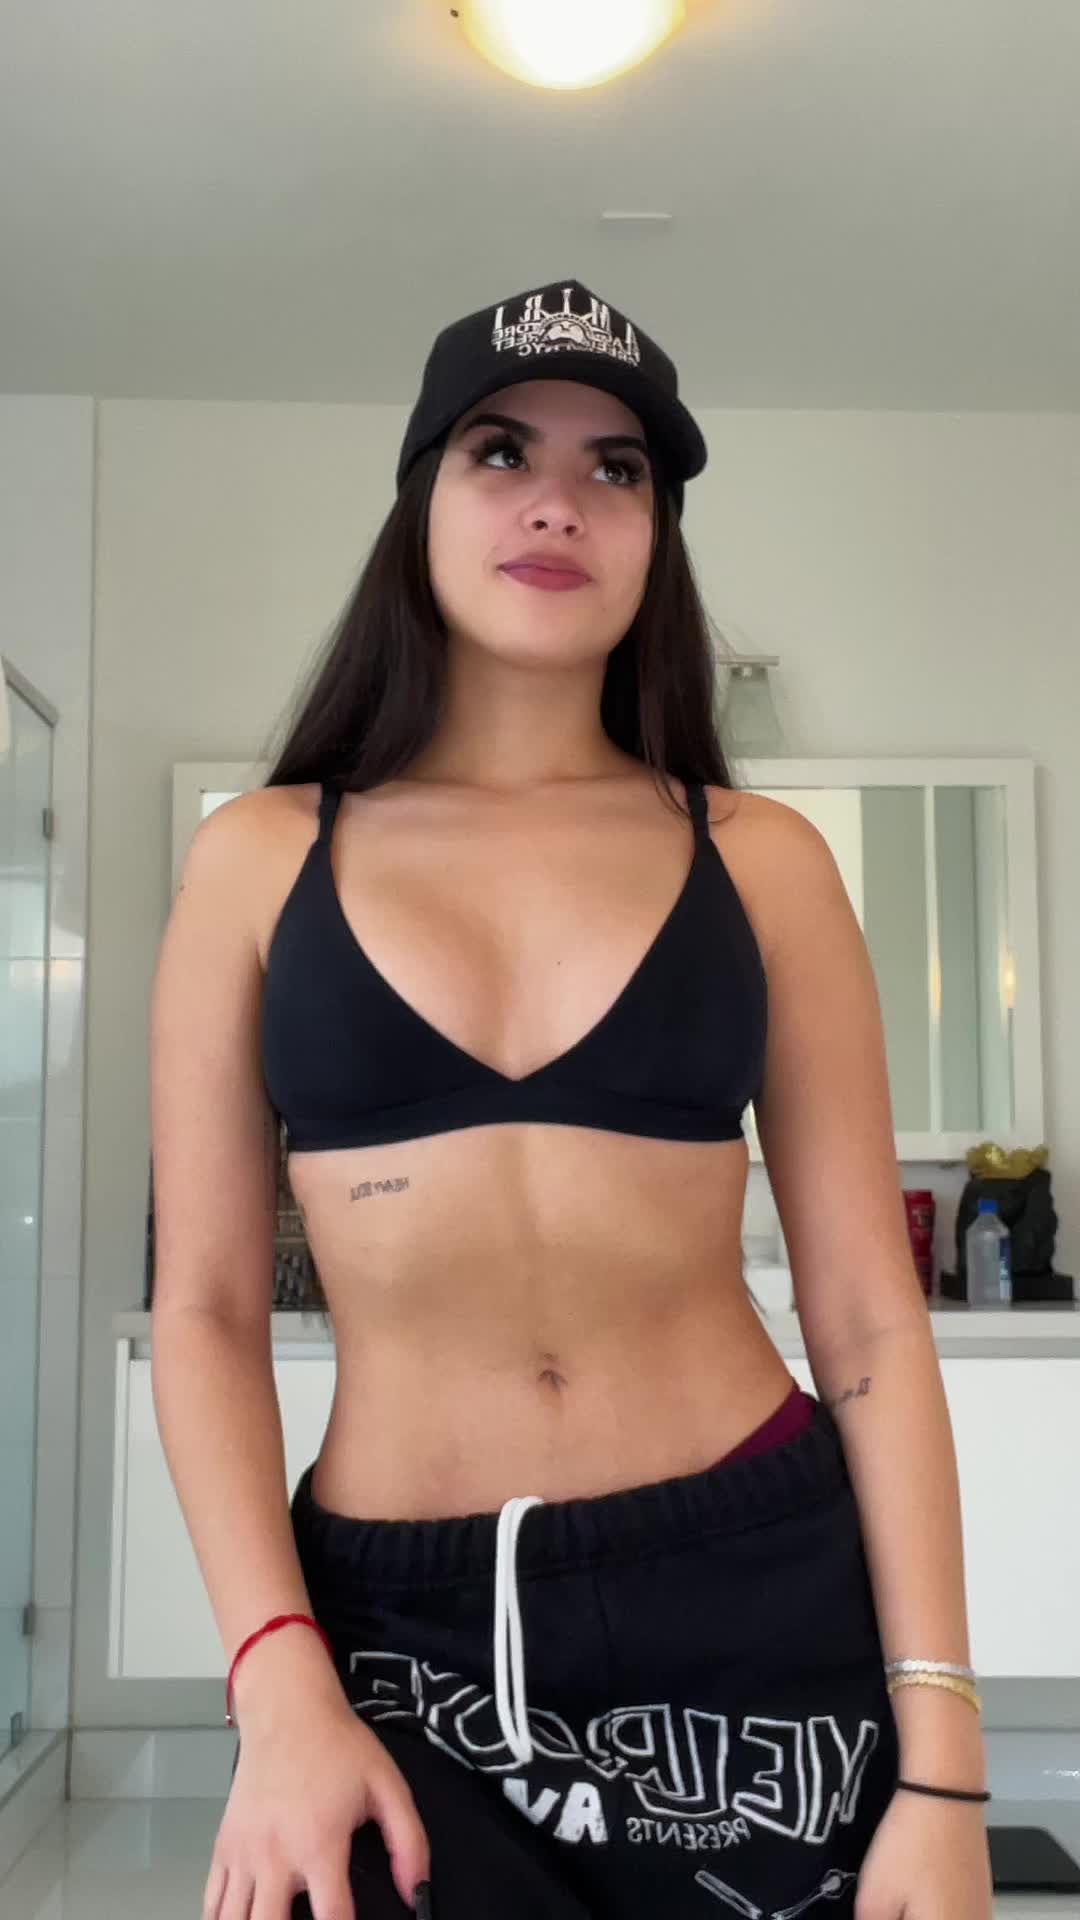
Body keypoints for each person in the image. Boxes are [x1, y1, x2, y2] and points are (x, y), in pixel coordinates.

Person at [149, 278, 992, 1920]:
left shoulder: (761, 863)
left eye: (619, 469)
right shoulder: (259, 858)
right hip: (396, 1637)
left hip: (756, 1596)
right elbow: (206, 1310)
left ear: (657, 535)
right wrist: (276, 1674)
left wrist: (946, 1762)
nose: (559, 501)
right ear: (422, 497)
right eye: (501, 450)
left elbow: (869, 1324)